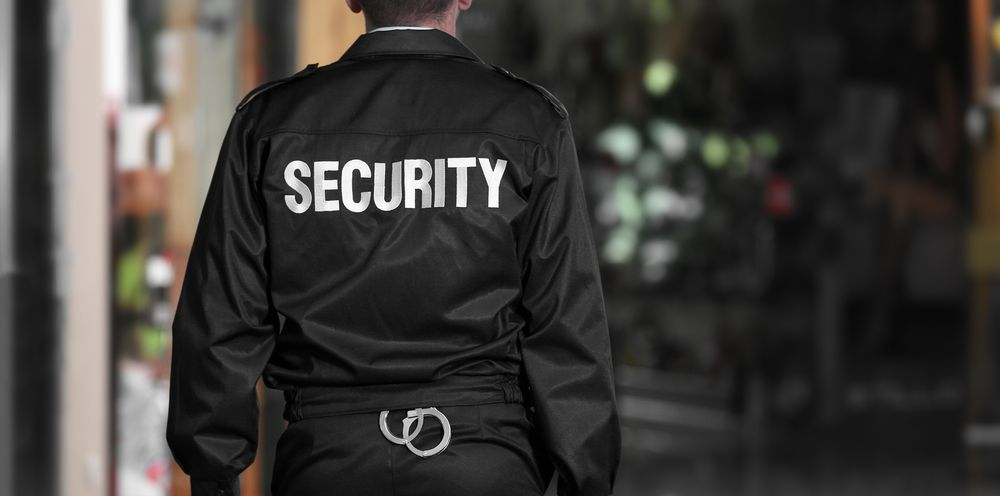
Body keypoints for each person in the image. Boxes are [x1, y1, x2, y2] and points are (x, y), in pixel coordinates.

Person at [165, 1, 620, 495]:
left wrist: (214, 475)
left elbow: (219, 322)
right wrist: (586, 478)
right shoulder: (529, 123)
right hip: (484, 461)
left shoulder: (271, 123)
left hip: (326, 464)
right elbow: (567, 328)